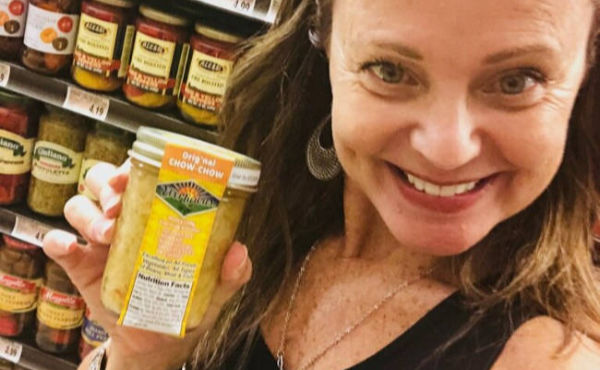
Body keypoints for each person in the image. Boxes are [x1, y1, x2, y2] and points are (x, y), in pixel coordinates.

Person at [42, 0, 600, 369]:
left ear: (586, 65)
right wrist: (142, 353)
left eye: (516, 80)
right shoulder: (254, 225)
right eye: (389, 70)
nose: (447, 149)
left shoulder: (550, 355)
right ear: (324, 42)